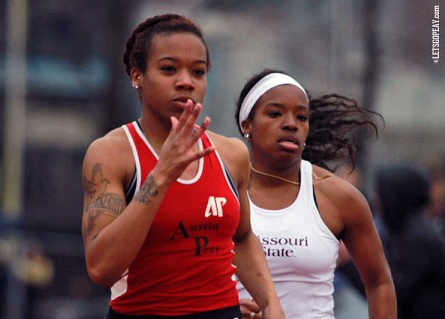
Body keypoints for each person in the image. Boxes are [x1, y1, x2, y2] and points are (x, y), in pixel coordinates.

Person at [81, 14, 284, 319]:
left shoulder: (231, 153)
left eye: (198, 72)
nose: (186, 81)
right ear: (137, 75)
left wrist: (270, 302)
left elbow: (241, 236)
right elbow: (101, 268)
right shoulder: (112, 154)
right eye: (168, 69)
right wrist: (162, 175)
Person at [234, 69, 396, 319]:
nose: (291, 124)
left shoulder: (338, 197)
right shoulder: (221, 190)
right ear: (247, 125)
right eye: (275, 113)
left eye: (301, 117)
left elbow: (380, 283)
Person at [374, 164, 445, 319]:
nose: (376, 200)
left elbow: (392, 291)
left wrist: (348, 262)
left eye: (381, 194)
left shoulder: (419, 238)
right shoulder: (404, 230)